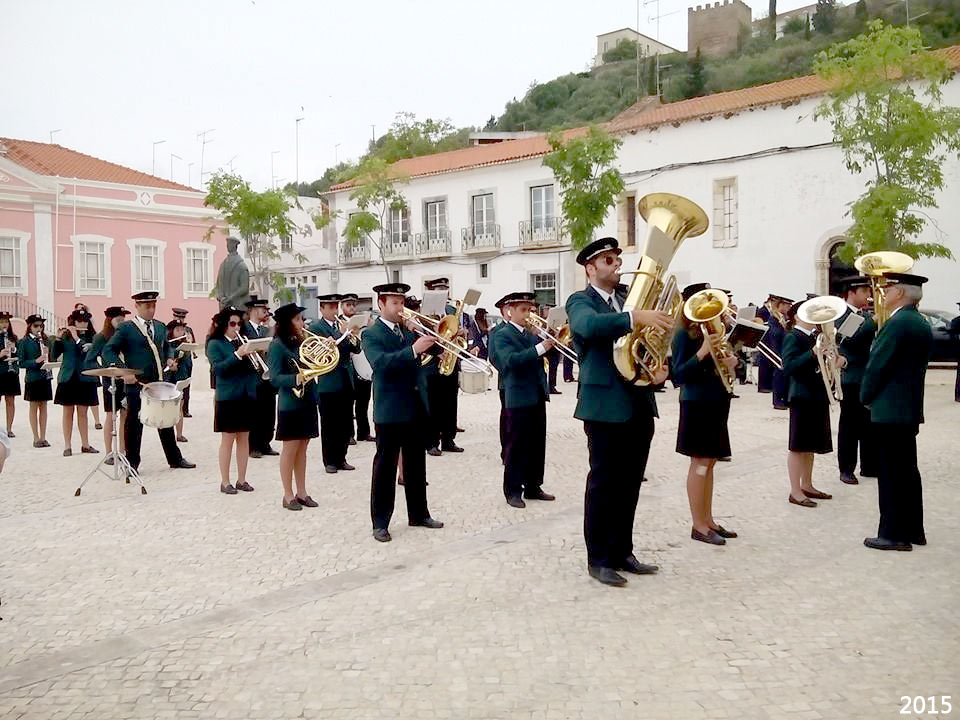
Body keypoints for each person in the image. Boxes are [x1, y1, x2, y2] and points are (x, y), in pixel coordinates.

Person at [565, 237, 671, 587]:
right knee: (604, 483)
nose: (615, 264)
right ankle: (598, 558)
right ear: (590, 268)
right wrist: (633, 317)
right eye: (607, 260)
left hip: (639, 401)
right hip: (603, 406)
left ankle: (623, 551)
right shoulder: (580, 301)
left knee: (630, 483)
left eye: (616, 259)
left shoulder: (628, 298)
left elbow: (646, 342)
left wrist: (659, 368)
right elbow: (588, 328)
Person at [363, 283, 444, 542]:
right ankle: (380, 522)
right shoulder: (371, 333)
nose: (401, 308)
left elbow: (436, 349)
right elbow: (381, 364)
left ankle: (419, 513)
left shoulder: (407, 331)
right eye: (395, 303)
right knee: (385, 467)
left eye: (402, 303)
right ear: (381, 305)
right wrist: (413, 349)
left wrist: (434, 333)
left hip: (414, 405)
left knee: (416, 464)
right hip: (389, 409)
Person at [861, 272, 933, 551]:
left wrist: (865, 396)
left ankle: (894, 534)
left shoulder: (898, 323)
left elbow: (877, 365)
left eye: (889, 288)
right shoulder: (918, 321)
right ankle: (914, 529)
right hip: (907, 407)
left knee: (891, 474)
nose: (884, 293)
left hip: (890, 409)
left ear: (900, 293)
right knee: (907, 472)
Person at [670, 283, 739, 546]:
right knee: (699, 463)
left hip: (717, 400)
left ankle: (708, 519)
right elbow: (678, 375)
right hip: (696, 402)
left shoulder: (713, 331)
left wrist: (731, 362)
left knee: (710, 463)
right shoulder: (683, 335)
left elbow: (722, 364)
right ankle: (698, 524)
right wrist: (702, 353)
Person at [102, 291, 196, 475]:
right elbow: (108, 351)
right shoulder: (127, 328)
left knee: (165, 420)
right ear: (137, 306)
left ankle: (174, 458)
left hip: (158, 381)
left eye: (153, 306)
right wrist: (123, 371)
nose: (151, 310)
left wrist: (169, 358)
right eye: (147, 306)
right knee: (134, 424)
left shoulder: (160, 327)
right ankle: (132, 463)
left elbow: (167, 345)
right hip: (136, 383)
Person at [487, 291, 556, 508]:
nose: (529, 314)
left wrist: (550, 340)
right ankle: (513, 489)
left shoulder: (531, 334)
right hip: (517, 394)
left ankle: (534, 485)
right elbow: (509, 361)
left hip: (536, 392)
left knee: (536, 443)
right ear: (510, 311)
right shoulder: (502, 334)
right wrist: (539, 348)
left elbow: (546, 357)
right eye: (524, 310)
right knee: (517, 444)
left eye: (531, 310)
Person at [781, 299, 840, 508]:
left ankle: (807, 484)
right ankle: (795, 490)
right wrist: (812, 353)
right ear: (797, 316)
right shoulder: (793, 337)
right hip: (801, 395)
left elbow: (825, 362)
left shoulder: (816, 337)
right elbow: (788, 367)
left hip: (817, 394)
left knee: (810, 445)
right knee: (798, 446)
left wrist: (835, 361)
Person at [267, 303, 319, 511]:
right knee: (290, 448)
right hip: (290, 403)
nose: (302, 322)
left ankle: (302, 491)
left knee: (303, 447)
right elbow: (274, 377)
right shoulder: (277, 345)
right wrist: (296, 378)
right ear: (287, 323)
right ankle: (288, 494)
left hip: (307, 400)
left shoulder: (302, 341)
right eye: (298, 319)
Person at [207, 306, 259, 495]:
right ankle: (225, 481)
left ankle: (242, 479)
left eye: (239, 323)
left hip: (245, 395)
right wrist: (238, 354)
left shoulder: (243, 341)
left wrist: (254, 355)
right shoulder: (215, 344)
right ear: (224, 325)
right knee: (228, 439)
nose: (236, 327)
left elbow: (253, 370)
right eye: (232, 324)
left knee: (244, 438)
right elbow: (219, 369)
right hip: (228, 397)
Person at [834, 276, 878, 485]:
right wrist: (873, 323)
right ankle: (846, 468)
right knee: (850, 425)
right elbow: (849, 339)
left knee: (868, 423)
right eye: (865, 291)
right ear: (852, 292)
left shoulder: (864, 314)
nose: (869, 296)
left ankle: (869, 465)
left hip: (866, 375)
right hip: (850, 376)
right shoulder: (841, 314)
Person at [308, 294, 359, 474]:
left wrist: (352, 334)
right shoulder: (316, 328)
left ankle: (341, 457)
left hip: (346, 379)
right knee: (330, 424)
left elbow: (356, 349)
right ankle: (330, 460)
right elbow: (321, 353)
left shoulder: (340, 326)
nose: (334, 311)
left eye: (335, 307)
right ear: (322, 309)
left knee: (345, 422)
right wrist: (341, 333)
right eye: (330, 307)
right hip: (328, 382)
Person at [423, 277, 463, 455]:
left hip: (450, 362)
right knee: (433, 404)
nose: (443, 294)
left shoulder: (450, 311)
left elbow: (453, 332)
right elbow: (420, 338)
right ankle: (431, 442)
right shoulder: (424, 314)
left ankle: (448, 439)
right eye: (439, 290)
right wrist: (436, 352)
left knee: (450, 403)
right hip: (431, 365)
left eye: (445, 290)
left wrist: (459, 333)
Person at [51, 309, 99, 456]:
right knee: (68, 412)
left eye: (85, 320)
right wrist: (58, 339)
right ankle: (67, 445)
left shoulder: (93, 337)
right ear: (74, 321)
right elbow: (53, 356)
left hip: (85, 376)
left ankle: (85, 444)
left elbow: (86, 350)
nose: (82, 323)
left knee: (83, 412)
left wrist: (76, 337)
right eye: (79, 320)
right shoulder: (65, 336)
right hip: (69, 377)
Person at [85, 306, 130, 464]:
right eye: (118, 319)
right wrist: (105, 371)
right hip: (110, 381)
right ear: (109, 320)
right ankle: (109, 452)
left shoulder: (126, 335)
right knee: (111, 416)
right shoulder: (101, 337)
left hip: (126, 379)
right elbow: (89, 360)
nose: (121, 322)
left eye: (123, 319)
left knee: (125, 415)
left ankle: (123, 451)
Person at [241, 296, 278, 457]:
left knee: (269, 412)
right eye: (263, 309)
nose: (266, 311)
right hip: (252, 376)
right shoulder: (244, 329)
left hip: (267, 376)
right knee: (254, 412)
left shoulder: (265, 330)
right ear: (254, 310)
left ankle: (266, 442)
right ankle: (254, 445)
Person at [339, 293, 375, 444]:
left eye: (353, 304)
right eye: (348, 305)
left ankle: (363, 432)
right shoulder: (340, 323)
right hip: (349, 367)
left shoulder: (361, 321)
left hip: (362, 364)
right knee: (347, 404)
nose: (352, 307)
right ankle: (348, 434)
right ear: (342, 306)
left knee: (363, 402)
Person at [18, 314, 53, 448]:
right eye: (36, 326)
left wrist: (48, 356)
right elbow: (21, 362)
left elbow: (52, 356)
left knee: (44, 406)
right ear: (30, 326)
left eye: (41, 326)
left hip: (45, 376)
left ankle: (43, 437)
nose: (39, 328)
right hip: (33, 378)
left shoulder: (45, 340)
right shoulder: (24, 342)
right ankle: (36, 437)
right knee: (34, 407)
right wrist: (35, 361)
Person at [166, 321, 193, 444]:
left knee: (180, 407)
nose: (181, 333)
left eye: (182, 330)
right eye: (178, 330)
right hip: (169, 379)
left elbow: (186, 363)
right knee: (169, 407)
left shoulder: (184, 344)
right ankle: (169, 433)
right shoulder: (167, 345)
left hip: (181, 377)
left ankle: (180, 434)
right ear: (171, 332)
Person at [767, 295, 792, 409]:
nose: (789, 307)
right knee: (779, 374)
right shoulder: (774, 317)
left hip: (782, 348)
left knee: (784, 375)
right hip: (777, 349)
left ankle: (785, 398)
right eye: (787, 305)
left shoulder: (782, 317)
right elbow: (775, 333)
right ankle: (777, 400)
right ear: (780, 305)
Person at [170, 308, 195, 418]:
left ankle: (185, 409)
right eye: (178, 317)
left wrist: (189, 342)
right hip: (175, 362)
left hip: (187, 361)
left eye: (182, 317)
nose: (180, 319)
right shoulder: (170, 329)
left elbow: (192, 342)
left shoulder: (188, 330)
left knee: (186, 386)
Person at [0, 311, 21, 436]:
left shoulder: (13, 337)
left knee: (10, 400)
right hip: (0, 371)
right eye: (2, 322)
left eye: (6, 322)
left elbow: (20, 355)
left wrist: (14, 349)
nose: (4, 324)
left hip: (10, 371)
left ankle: (9, 428)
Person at [215, 236, 251, 310]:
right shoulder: (223, 264)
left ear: (235, 246)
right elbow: (218, 284)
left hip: (238, 306)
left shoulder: (241, 266)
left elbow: (244, 288)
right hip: (224, 306)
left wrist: (231, 297)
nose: (228, 246)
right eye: (227, 244)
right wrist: (220, 296)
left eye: (230, 244)